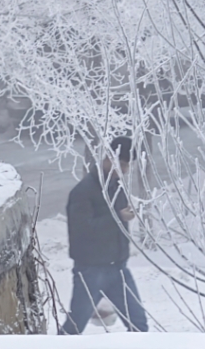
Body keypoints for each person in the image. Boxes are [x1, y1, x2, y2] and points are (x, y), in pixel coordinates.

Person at [60, 135, 149, 334]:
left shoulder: (116, 187)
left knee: (139, 325)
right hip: (91, 270)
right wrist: (118, 217)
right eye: (123, 164)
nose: (125, 170)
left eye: (128, 165)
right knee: (74, 328)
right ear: (109, 158)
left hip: (118, 268)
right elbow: (82, 229)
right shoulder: (83, 192)